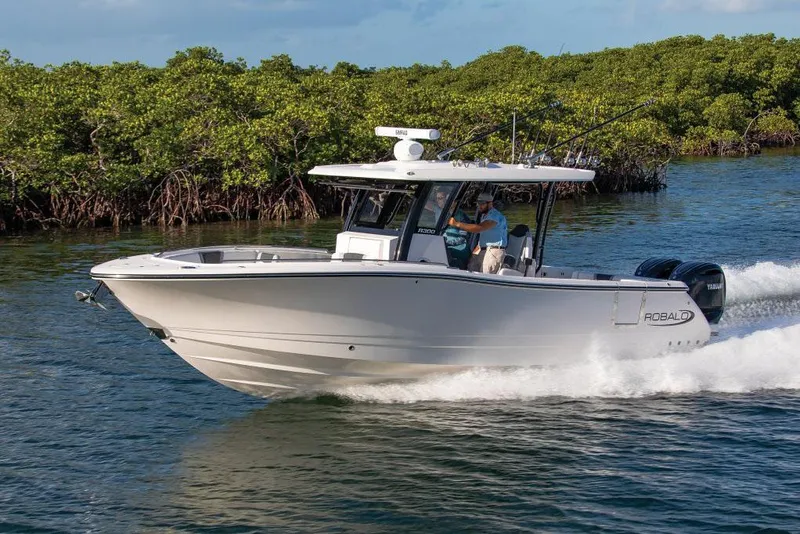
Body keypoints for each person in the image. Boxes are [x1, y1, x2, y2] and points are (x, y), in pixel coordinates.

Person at [448, 192, 507, 274]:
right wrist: (478, 246)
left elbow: (479, 228)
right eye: (478, 203)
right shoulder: (484, 215)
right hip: (483, 249)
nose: (479, 206)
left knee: (485, 276)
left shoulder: (494, 216)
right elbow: (485, 234)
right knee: (470, 269)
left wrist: (456, 224)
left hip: (494, 251)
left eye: (482, 204)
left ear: (490, 203)